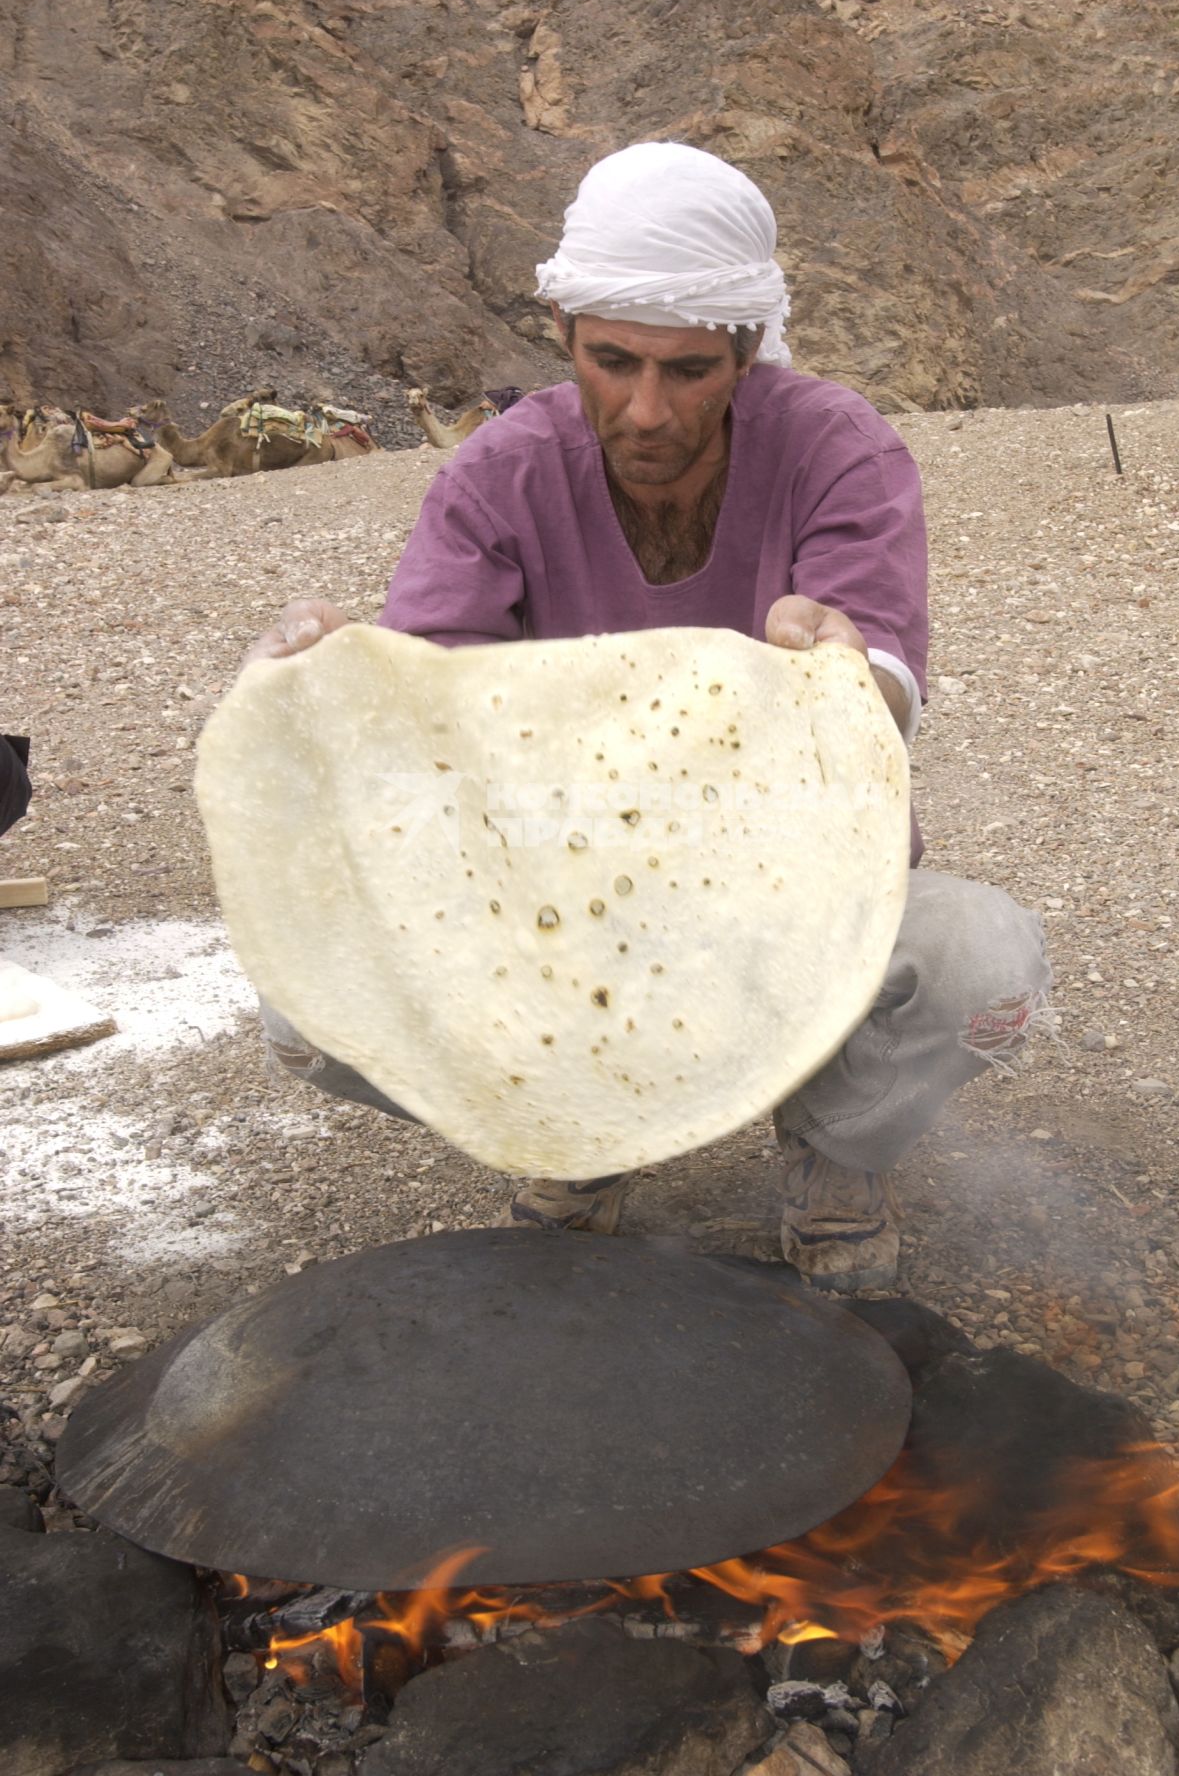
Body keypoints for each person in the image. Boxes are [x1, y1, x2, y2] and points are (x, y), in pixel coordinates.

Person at [248, 141, 1052, 1292]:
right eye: (612, 362)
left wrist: (845, 676)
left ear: (745, 350)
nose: (647, 409)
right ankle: (574, 1133)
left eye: (689, 371)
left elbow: (883, 679)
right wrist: (323, 693)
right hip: (562, 910)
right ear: (565, 336)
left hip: (795, 904)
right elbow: (428, 729)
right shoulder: (500, 474)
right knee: (302, 1010)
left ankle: (833, 1143)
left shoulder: (837, 449)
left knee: (984, 966)